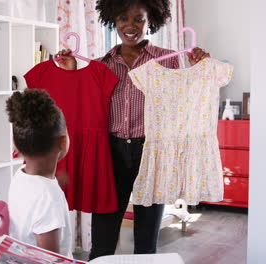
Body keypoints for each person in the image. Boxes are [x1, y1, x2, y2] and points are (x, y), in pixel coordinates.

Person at [55, 0, 210, 260]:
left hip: (151, 154)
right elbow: (80, 105)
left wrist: (196, 70)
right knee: (102, 238)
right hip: (110, 155)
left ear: (151, 21)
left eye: (138, 19)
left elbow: (186, 102)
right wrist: (71, 73)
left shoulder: (169, 61)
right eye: (123, 19)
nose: (130, 26)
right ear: (112, 20)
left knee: (146, 240)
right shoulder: (100, 65)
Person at [5, 89, 72, 257]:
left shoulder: (20, 175)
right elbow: (49, 260)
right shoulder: (49, 198)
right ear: (63, 142)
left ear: (15, 143)